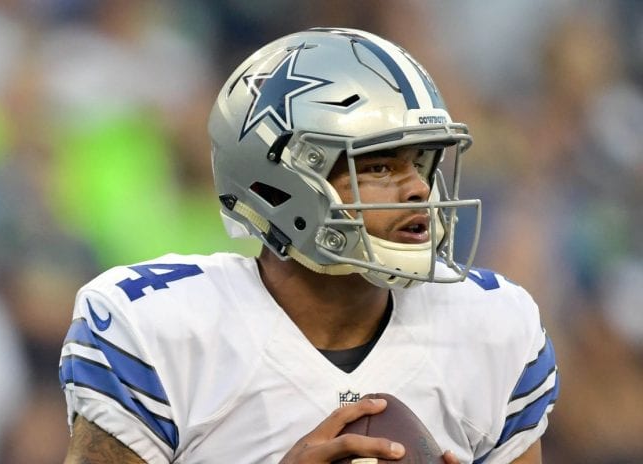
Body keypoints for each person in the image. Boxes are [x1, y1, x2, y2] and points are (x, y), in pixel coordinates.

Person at [59, 27, 559, 463]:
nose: (416, 190)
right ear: (279, 184)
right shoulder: (158, 330)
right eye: (378, 166)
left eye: (421, 163)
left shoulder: (493, 327)